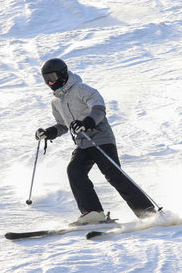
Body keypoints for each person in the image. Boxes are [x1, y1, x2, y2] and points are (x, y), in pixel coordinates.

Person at [35, 58, 157, 225]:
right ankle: (93, 212)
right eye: (46, 78)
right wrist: (48, 133)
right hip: (82, 143)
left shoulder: (81, 89)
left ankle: (147, 211)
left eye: (53, 76)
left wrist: (86, 123)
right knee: (74, 171)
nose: (50, 81)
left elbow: (98, 108)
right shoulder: (56, 101)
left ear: (62, 74)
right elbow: (63, 125)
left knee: (114, 174)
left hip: (101, 139)